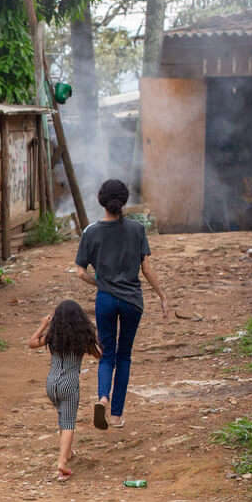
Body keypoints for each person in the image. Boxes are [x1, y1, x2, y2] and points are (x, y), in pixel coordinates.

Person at [74, 179, 169, 430]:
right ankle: (116, 416)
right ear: (124, 201)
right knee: (124, 356)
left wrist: (101, 283)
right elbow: (146, 269)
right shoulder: (137, 229)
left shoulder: (90, 232)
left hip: (105, 300)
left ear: (101, 201)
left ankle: (102, 399)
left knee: (107, 354)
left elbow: (80, 272)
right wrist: (162, 296)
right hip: (132, 302)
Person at [29, 300, 102, 482]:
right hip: (69, 382)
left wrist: (43, 325)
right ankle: (62, 463)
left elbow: (32, 343)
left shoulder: (53, 337)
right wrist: (94, 334)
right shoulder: (82, 338)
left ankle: (67, 451)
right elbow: (99, 354)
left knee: (62, 416)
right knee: (69, 422)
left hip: (51, 382)